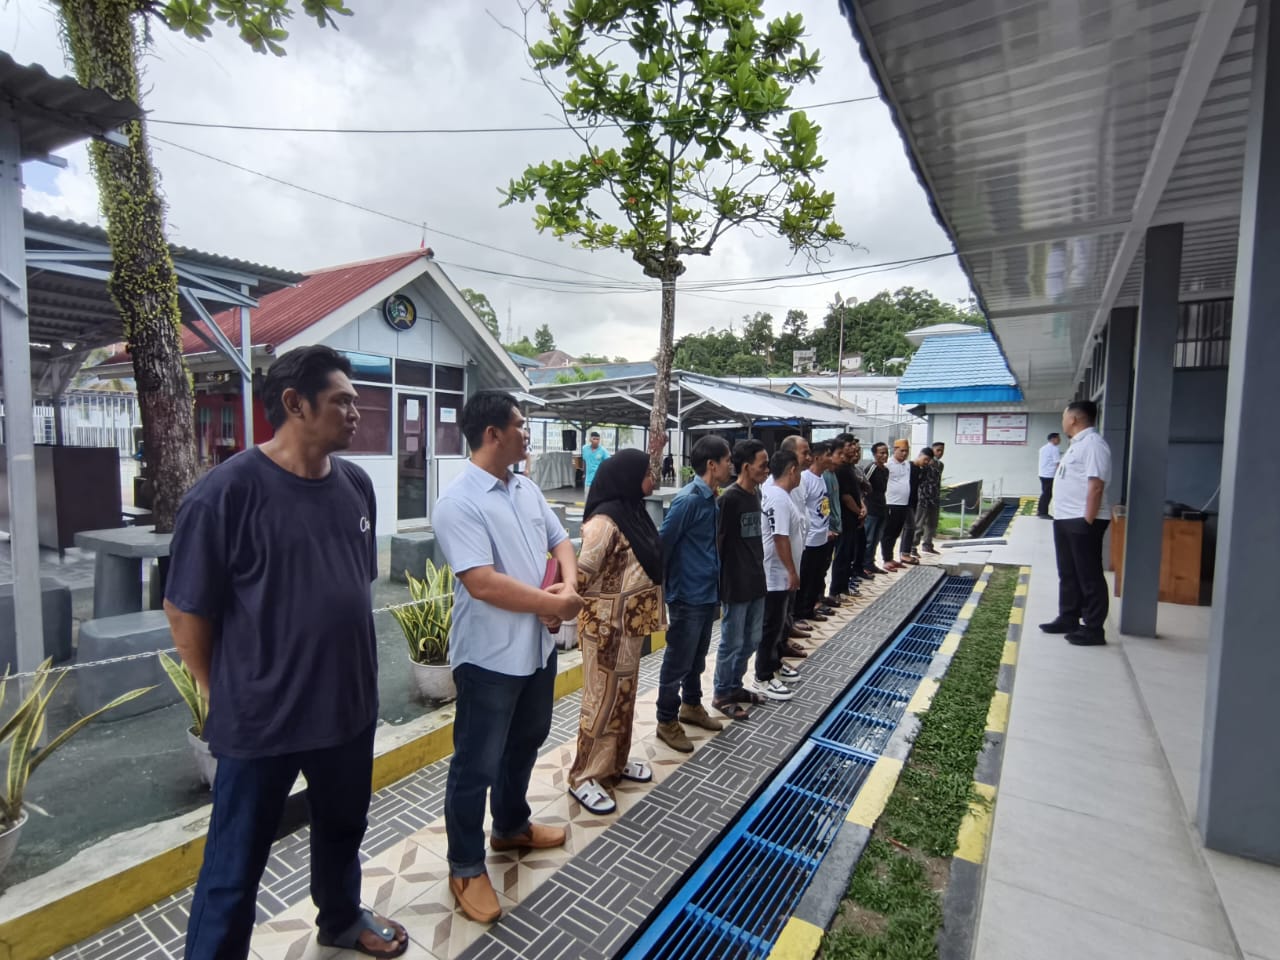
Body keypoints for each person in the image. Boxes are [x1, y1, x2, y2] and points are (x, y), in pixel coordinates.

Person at [164, 345, 408, 960]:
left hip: (346, 711)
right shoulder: (224, 495)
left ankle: (342, 919)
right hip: (261, 723)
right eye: (343, 402)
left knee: (342, 832)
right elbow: (184, 611)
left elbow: (350, 585)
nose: (357, 412)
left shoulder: (355, 485)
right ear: (295, 405)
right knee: (234, 864)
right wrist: (222, 689)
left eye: (357, 401)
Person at [433, 391, 584, 923]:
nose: (527, 432)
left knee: (526, 740)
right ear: (492, 433)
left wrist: (562, 589)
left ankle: (510, 826)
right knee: (475, 764)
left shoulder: (524, 487)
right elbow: (482, 583)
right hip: (490, 658)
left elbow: (560, 539)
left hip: (535, 649)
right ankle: (465, 865)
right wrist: (555, 604)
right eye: (520, 425)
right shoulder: (458, 501)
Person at [566, 450, 666, 815]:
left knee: (623, 699)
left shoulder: (633, 513)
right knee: (601, 702)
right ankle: (583, 776)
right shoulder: (604, 523)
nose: (652, 480)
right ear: (627, 477)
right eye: (647, 473)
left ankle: (613, 765)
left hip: (629, 629)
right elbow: (579, 575)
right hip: (605, 631)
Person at [655, 435, 733, 752]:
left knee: (697, 659)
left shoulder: (711, 498)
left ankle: (691, 706)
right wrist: (666, 592)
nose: (731, 465)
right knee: (677, 661)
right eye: (728, 460)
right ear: (712, 465)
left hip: (706, 592)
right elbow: (663, 544)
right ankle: (665, 720)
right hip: (687, 595)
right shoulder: (688, 500)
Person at [1040, 402, 1112, 646]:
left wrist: (1087, 520)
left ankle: (1093, 628)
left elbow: (1096, 485)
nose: (1063, 421)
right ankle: (1068, 617)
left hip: (1082, 521)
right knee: (1068, 572)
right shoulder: (1076, 445)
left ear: (1073, 419)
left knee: (1089, 575)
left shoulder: (1093, 445)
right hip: (1065, 518)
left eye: (1064, 416)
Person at [712, 439, 774, 716]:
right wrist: (720, 585)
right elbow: (718, 544)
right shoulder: (728, 499)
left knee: (752, 640)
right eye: (763, 465)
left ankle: (736, 685)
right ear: (747, 467)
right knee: (732, 641)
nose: (767, 470)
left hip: (756, 580)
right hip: (735, 584)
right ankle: (722, 693)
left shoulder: (756, 495)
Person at [756, 450, 804, 699]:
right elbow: (780, 537)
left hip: (780, 573)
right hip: (775, 575)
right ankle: (762, 676)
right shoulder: (778, 498)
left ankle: (774, 664)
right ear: (792, 469)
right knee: (771, 626)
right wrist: (791, 571)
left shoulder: (779, 495)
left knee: (779, 624)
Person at [796, 441, 838, 621]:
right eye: (828, 455)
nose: (831, 459)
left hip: (822, 537)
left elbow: (822, 506)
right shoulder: (805, 479)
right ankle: (798, 614)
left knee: (817, 577)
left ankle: (809, 610)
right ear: (817, 457)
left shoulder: (822, 478)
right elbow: (801, 508)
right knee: (805, 579)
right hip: (809, 540)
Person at [830, 434, 865, 601]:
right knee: (842, 554)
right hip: (844, 518)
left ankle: (844, 587)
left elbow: (856, 493)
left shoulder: (850, 467)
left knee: (849, 553)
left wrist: (862, 508)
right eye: (850, 445)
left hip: (853, 518)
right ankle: (836, 590)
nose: (854, 448)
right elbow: (845, 496)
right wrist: (859, 511)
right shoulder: (840, 470)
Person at [881, 439, 913, 570]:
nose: (904, 453)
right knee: (888, 532)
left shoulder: (907, 465)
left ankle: (892, 557)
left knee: (896, 532)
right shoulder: (888, 464)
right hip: (891, 503)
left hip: (903, 504)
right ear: (895, 450)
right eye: (902, 450)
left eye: (906, 451)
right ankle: (886, 559)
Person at [862, 442, 889, 577]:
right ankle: (863, 565)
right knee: (869, 538)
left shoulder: (885, 470)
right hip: (871, 509)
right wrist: (863, 505)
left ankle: (871, 563)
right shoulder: (871, 468)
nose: (884, 455)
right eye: (881, 453)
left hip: (881, 508)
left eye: (886, 453)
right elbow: (862, 486)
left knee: (876, 538)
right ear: (874, 454)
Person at [914, 444, 943, 555]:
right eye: (938, 450)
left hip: (934, 497)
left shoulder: (940, 465)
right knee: (919, 523)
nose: (939, 453)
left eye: (942, 451)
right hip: (923, 497)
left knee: (932, 523)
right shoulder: (923, 464)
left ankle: (928, 544)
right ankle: (913, 546)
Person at [1038, 432, 1062, 518]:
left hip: (1042, 474)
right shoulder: (1054, 449)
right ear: (1053, 439)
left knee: (1045, 493)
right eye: (1058, 438)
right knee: (1047, 494)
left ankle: (1041, 511)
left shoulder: (1043, 448)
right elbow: (1057, 463)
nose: (1060, 440)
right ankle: (1043, 513)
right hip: (1050, 475)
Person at [582, 431, 610, 495]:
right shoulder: (585, 448)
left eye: (597, 439)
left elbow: (608, 463)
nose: (596, 441)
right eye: (594, 439)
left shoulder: (603, 450)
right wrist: (584, 473)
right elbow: (584, 460)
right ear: (590, 439)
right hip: (588, 481)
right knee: (587, 500)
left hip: (599, 480)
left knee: (598, 500)